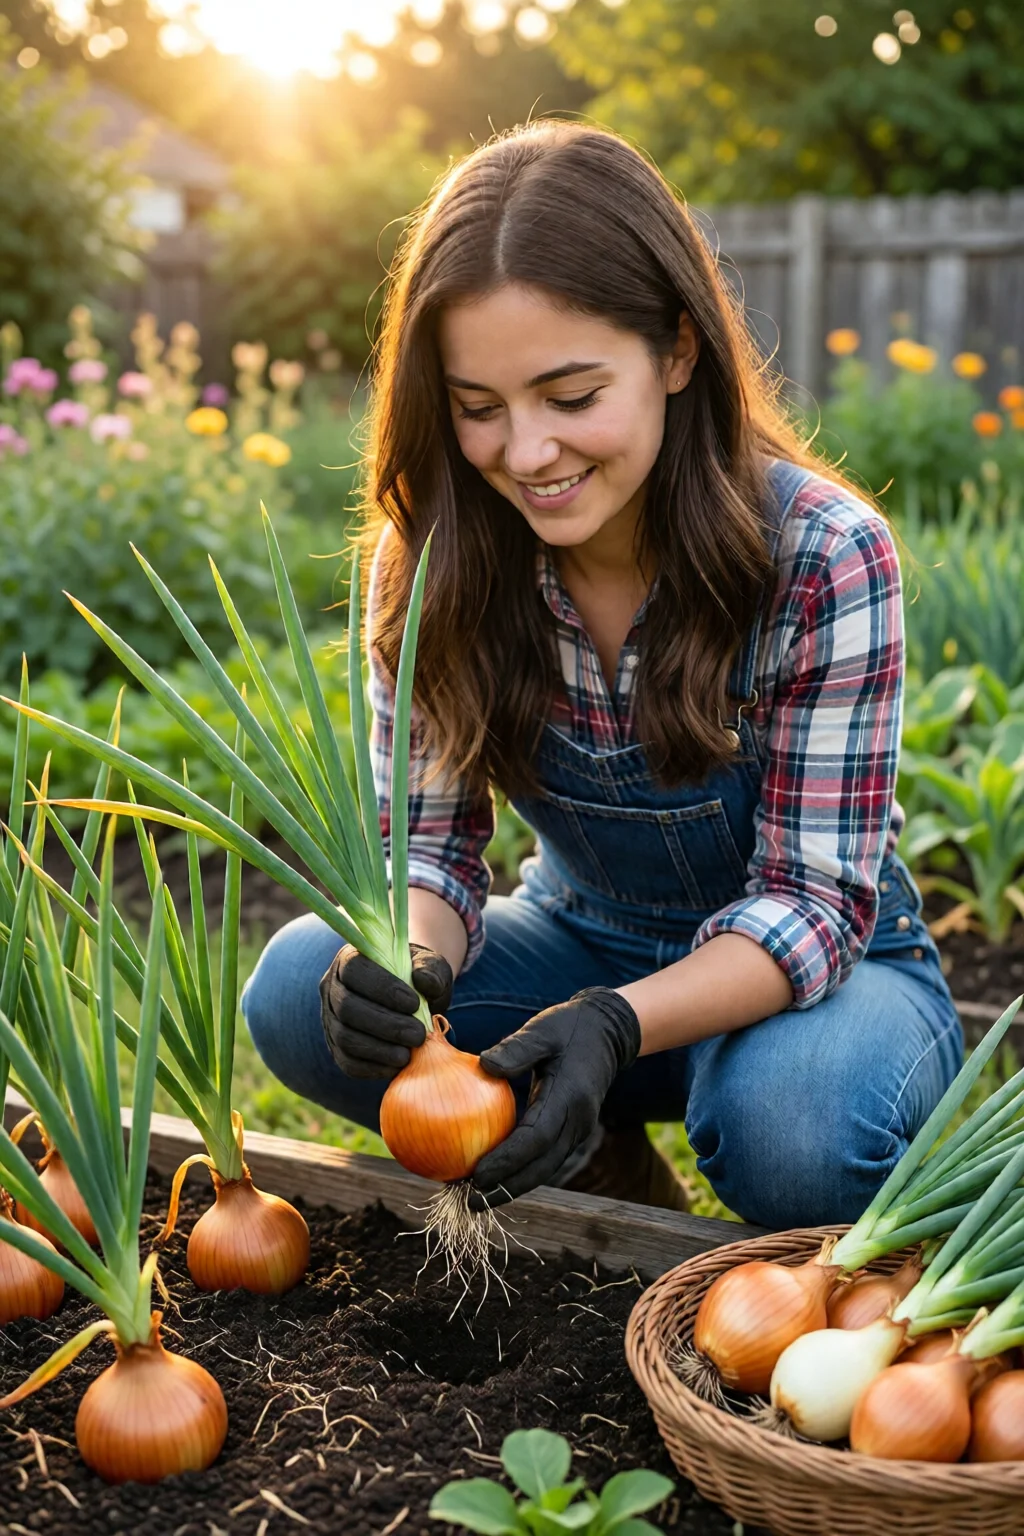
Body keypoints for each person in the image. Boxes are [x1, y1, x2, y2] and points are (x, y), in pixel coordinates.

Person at [241, 122, 961, 1231]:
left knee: (794, 1127)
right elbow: (425, 848)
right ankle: (603, 1177)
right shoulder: (435, 559)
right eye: (479, 408)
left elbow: (815, 907)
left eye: (571, 397)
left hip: (813, 986)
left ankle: (744, 1129)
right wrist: (409, 967)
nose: (526, 453)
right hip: (578, 942)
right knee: (302, 990)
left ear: (677, 351)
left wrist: (616, 1023)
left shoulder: (821, 553)